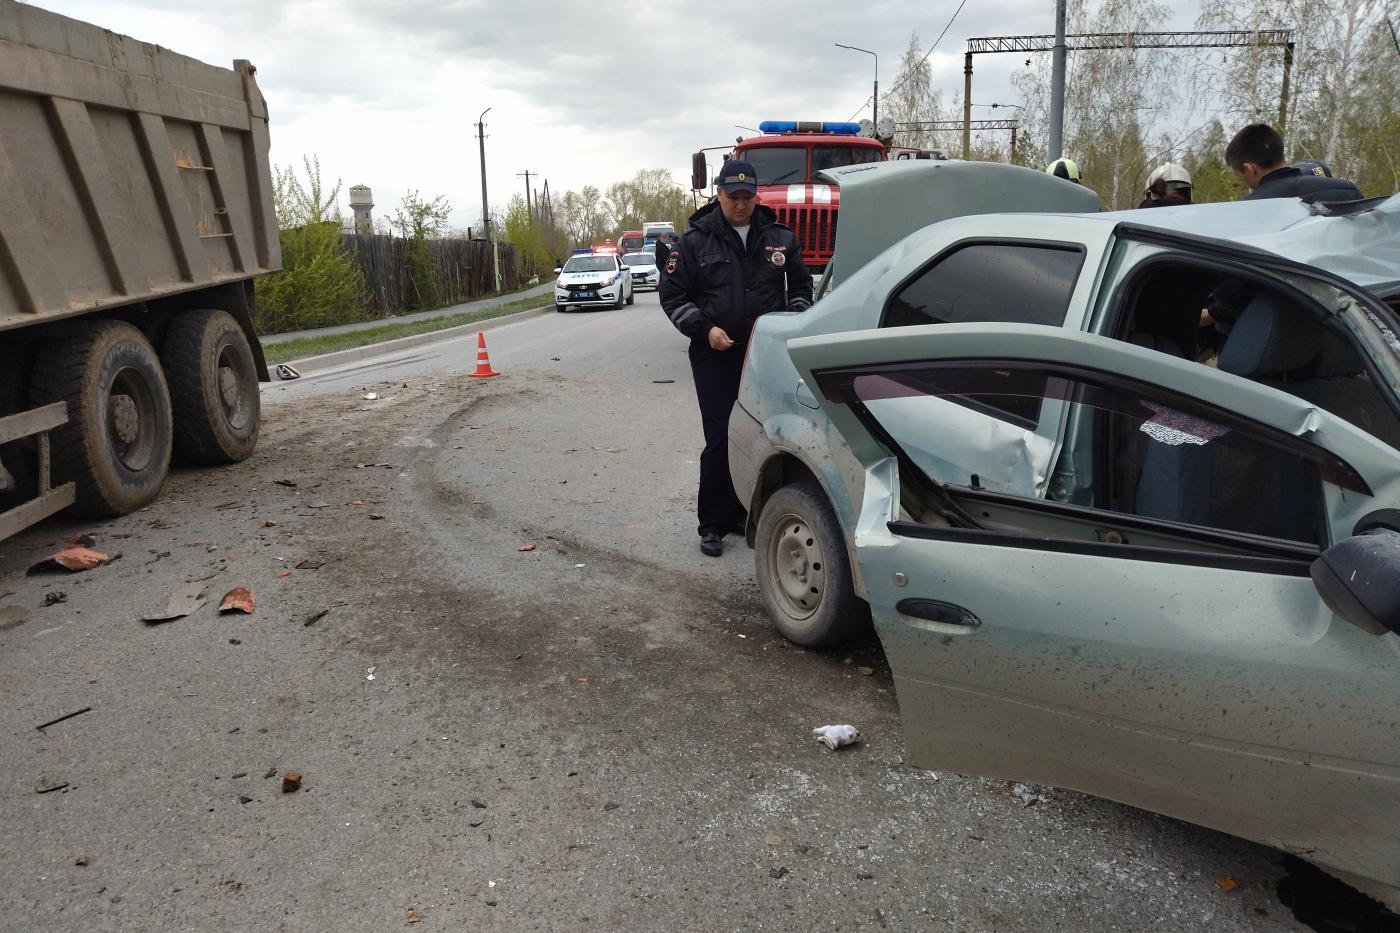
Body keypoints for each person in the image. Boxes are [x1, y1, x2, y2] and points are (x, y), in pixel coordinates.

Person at [659, 160, 813, 557]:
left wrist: (790, 320)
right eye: (733, 197)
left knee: (768, 435)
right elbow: (673, 296)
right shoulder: (693, 242)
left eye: (747, 197)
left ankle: (745, 513)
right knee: (720, 436)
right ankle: (711, 523)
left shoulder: (780, 237)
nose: (740, 205)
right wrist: (704, 329)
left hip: (765, 357)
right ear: (719, 194)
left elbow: (800, 287)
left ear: (756, 196)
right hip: (715, 353)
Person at [1224, 124, 1362, 202]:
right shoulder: (1346, 190)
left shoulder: (1247, 209)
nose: (1242, 181)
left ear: (1249, 169)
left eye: (1238, 175)